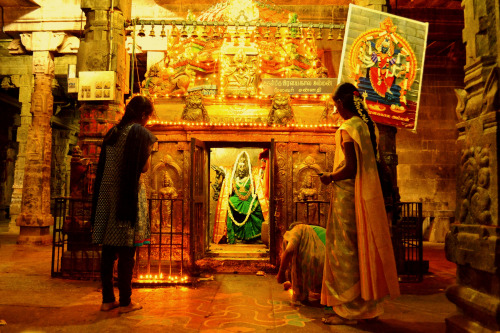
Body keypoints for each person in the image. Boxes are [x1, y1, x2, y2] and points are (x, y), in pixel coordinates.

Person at [319, 82, 400, 325]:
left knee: (344, 251)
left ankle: (349, 310)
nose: (337, 112)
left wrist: (329, 177)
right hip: (364, 195)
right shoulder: (366, 126)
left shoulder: (347, 128)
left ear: (342, 104)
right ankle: (366, 305)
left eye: (336, 107)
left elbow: (351, 168)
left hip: (348, 196)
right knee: (362, 246)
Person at [91, 95, 157, 314]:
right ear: (143, 115)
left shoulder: (112, 132)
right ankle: (126, 301)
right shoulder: (139, 133)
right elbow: (145, 168)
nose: (148, 120)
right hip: (125, 195)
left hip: (105, 195)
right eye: (148, 115)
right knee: (127, 250)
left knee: (108, 250)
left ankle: (107, 300)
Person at [212, 151, 268, 244]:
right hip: (236, 200)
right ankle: (233, 236)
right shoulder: (232, 177)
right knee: (229, 203)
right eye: (240, 167)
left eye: (243, 167)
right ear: (237, 168)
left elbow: (260, 172)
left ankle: (254, 237)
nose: (242, 169)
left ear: (247, 168)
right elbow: (226, 170)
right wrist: (220, 171)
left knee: (258, 209)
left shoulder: (251, 176)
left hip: (250, 200)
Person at [276, 222, 326, 304]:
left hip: (320, 259)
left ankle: (301, 295)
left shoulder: (298, 228)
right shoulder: (314, 231)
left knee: (297, 260)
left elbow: (289, 250)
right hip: (334, 264)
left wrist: (281, 273)